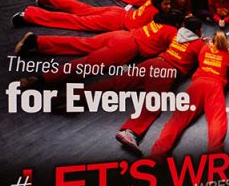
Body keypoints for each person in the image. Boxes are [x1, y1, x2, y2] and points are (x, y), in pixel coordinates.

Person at [82, 17, 207, 155]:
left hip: (152, 63)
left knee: (115, 83)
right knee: (152, 105)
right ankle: (129, 132)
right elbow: (203, 58)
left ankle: (73, 95)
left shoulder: (177, 34)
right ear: (197, 30)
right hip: (166, 71)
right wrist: (207, 44)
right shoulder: (198, 45)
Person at [15, 10, 183, 86]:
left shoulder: (157, 22)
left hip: (120, 34)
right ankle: (41, 78)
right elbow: (176, 50)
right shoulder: (173, 32)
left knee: (81, 43)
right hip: (128, 47)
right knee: (88, 63)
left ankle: (36, 42)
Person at [148, 31, 229, 158]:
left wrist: (208, 45)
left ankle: (158, 152)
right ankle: (215, 156)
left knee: (178, 119)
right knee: (216, 120)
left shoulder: (204, 49)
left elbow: (200, 60)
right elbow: (227, 71)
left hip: (198, 84)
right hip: (215, 86)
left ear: (212, 40)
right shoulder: (227, 55)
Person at [13, 0, 169, 32]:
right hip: (116, 21)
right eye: (166, 4)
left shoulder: (152, 0)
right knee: (77, 22)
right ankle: (29, 15)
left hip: (118, 12)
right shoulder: (158, 14)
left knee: (81, 8)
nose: (168, 7)